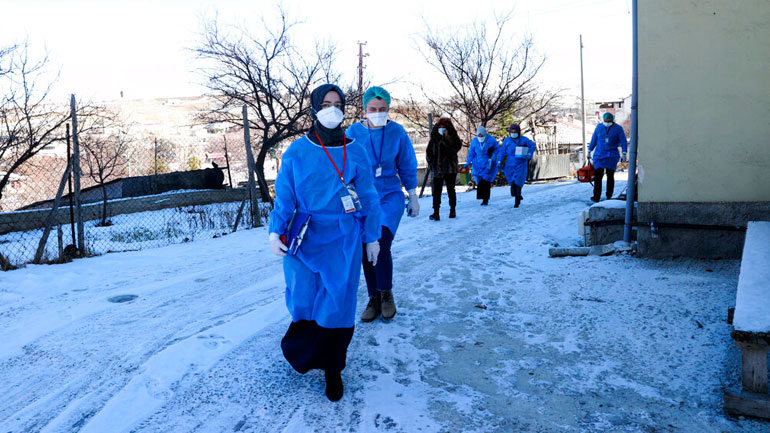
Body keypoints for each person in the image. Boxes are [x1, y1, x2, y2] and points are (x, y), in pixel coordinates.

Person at [268, 84, 381, 402]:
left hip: (342, 238)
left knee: (338, 302)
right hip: (303, 235)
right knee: (303, 298)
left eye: (338, 104)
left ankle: (333, 369)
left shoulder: (356, 150)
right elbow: (285, 195)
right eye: (325, 104)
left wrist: (372, 237)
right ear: (313, 110)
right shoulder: (297, 152)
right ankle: (306, 354)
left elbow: (369, 197)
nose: (332, 109)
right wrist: (276, 231)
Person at [345, 86, 418, 323]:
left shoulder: (397, 132)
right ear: (364, 109)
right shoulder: (353, 132)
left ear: (389, 108)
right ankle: (373, 298)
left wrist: (413, 195)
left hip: (389, 196)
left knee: (381, 242)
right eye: (373, 109)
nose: (377, 112)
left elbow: (407, 164)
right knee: (367, 247)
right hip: (363, 199)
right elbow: (343, 164)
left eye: (383, 109)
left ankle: (386, 294)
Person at [425, 116, 462, 220]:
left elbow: (456, 148)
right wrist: (431, 164)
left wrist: (446, 140)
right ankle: (436, 212)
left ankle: (452, 210)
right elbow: (428, 153)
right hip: (437, 168)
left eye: (444, 126)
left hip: (450, 168)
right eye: (440, 126)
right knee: (437, 191)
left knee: (451, 189)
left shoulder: (453, 138)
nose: (442, 128)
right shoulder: (434, 139)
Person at [588, 112, 628, 202]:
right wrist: (589, 150)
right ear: (603, 120)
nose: (607, 122)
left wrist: (624, 153)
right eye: (605, 120)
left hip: (612, 155)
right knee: (598, 177)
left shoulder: (618, 129)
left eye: (609, 121)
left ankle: (609, 196)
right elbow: (594, 139)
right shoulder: (599, 127)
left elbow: (623, 141)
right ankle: (596, 196)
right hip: (599, 155)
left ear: (612, 120)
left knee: (610, 176)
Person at [498, 124, 537, 207]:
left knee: (518, 181)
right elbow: (502, 152)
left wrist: (529, 153)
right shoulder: (507, 141)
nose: (513, 133)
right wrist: (499, 161)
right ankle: (517, 195)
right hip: (510, 164)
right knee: (511, 181)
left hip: (521, 163)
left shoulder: (524, 140)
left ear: (518, 132)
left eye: (515, 131)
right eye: (511, 132)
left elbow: (532, 145)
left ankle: (517, 200)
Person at [465, 126, 499, 205]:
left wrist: (492, 158)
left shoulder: (491, 140)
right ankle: (482, 197)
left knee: (486, 181)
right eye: (478, 135)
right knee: (480, 182)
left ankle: (485, 199)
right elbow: (471, 153)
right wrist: (468, 162)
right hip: (477, 164)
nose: (480, 137)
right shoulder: (474, 141)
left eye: (481, 135)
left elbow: (496, 150)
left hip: (488, 164)